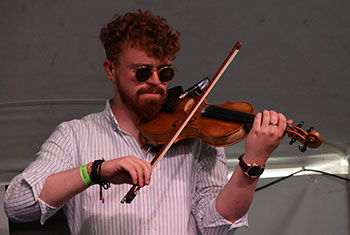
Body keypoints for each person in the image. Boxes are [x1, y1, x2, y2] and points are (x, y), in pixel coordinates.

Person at [4, 10, 289, 234]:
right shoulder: (75, 135)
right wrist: (94, 172)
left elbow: (215, 227)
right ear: (111, 70)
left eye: (164, 73)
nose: (155, 82)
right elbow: (18, 204)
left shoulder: (194, 134)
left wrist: (252, 162)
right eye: (142, 72)